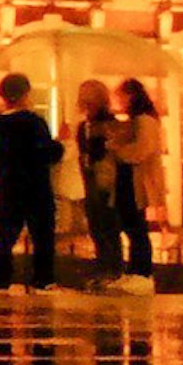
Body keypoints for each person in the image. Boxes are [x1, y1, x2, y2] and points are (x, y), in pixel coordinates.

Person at [0, 75, 64, 292]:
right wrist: (61, 143)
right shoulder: (34, 123)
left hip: (5, 191)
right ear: (26, 94)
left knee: (4, 239)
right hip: (36, 190)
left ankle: (1, 281)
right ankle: (43, 280)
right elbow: (48, 154)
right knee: (42, 237)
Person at [110, 78, 169, 291]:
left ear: (132, 96)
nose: (119, 101)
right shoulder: (140, 120)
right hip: (133, 180)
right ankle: (136, 271)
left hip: (138, 181)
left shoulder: (144, 121)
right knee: (132, 225)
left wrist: (117, 151)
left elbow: (141, 150)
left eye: (122, 96)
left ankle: (142, 273)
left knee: (136, 227)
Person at [72, 80, 123, 280]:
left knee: (108, 224)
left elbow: (109, 151)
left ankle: (112, 268)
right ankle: (104, 265)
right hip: (90, 179)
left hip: (106, 181)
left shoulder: (109, 123)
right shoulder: (84, 125)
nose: (85, 103)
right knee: (96, 223)